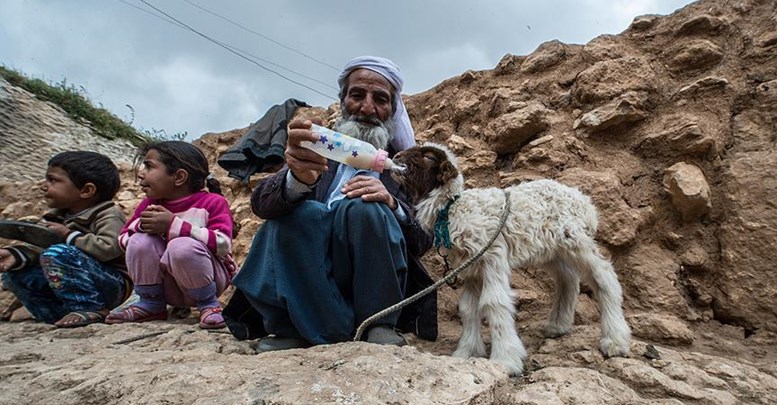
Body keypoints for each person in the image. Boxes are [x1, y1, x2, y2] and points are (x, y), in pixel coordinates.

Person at [224, 56, 437, 351]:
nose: (367, 108)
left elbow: (425, 239)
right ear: (343, 101)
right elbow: (262, 205)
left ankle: (377, 323)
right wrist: (298, 179)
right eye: (357, 95)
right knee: (305, 212)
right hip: (310, 279)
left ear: (392, 110)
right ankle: (305, 327)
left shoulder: (404, 169)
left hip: (370, 278)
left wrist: (391, 204)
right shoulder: (318, 150)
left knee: (363, 208)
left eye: (381, 99)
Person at [105, 141, 237, 329]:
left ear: (179, 177)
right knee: (140, 241)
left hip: (208, 283)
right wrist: (141, 226)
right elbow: (123, 241)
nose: (141, 173)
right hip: (165, 287)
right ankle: (151, 304)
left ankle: (208, 306)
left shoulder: (212, 203)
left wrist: (173, 225)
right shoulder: (149, 205)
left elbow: (223, 244)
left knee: (182, 246)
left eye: (149, 166)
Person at [0, 151, 130, 327]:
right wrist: (17, 256)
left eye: (53, 180)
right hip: (77, 281)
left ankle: (91, 308)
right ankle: (53, 315)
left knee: (58, 254)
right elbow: (44, 252)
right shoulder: (59, 217)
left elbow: (109, 248)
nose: (44, 186)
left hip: (111, 284)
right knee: (14, 273)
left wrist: (69, 235)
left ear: (86, 190)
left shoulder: (108, 215)